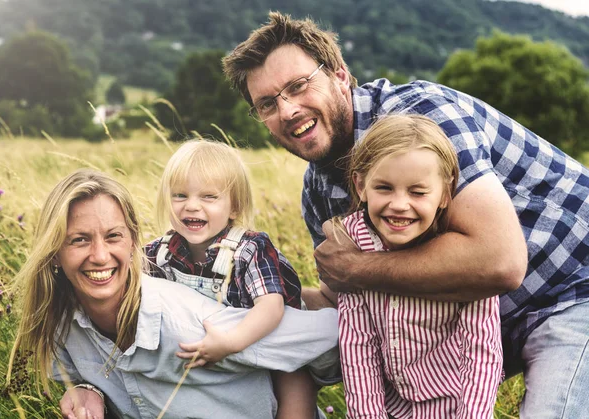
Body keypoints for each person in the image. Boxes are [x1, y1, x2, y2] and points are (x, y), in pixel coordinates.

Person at [223, 11, 589, 418]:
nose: (288, 110)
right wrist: (249, 297)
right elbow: (343, 295)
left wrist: (358, 269)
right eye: (268, 104)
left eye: (298, 86)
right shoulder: (318, 191)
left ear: (340, 77)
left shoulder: (419, 119)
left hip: (571, 290)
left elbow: (501, 262)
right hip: (484, 327)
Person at [7, 168, 339, 419]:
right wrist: (85, 388)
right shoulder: (60, 325)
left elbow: (331, 335)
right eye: (79, 239)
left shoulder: (193, 324)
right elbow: (80, 374)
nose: (99, 255)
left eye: (113, 237)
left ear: (133, 242)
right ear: (54, 253)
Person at [337, 114, 502, 418]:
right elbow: (358, 345)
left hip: (456, 406)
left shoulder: (463, 253)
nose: (400, 204)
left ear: (444, 194)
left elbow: (481, 351)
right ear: (361, 186)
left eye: (417, 191)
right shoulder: (354, 242)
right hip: (393, 406)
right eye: (384, 188)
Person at [144, 139, 318, 418]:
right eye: (179, 196)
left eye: (208, 197)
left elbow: (271, 307)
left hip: (270, 338)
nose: (191, 206)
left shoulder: (250, 249)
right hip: (209, 354)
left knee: (294, 380)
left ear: (234, 207)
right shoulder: (159, 252)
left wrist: (231, 342)